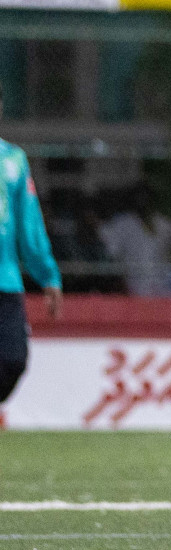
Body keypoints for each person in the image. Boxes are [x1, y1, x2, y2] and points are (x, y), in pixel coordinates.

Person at [0, 88, 62, 401]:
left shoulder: (12, 159)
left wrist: (47, 275)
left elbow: (29, 224)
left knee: (12, 360)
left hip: (5, 282)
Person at [97, 184, 171, 297]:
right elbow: (111, 255)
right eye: (139, 198)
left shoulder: (165, 223)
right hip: (136, 287)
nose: (142, 202)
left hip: (166, 288)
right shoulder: (121, 224)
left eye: (146, 198)